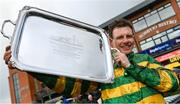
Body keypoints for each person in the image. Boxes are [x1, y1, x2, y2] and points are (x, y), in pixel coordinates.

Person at [4, 19, 179, 103]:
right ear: (111, 41)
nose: (126, 40)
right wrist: (25, 63)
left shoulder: (146, 60)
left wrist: (131, 66)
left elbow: (173, 84)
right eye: (120, 37)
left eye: (129, 36)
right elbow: (69, 87)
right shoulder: (102, 68)